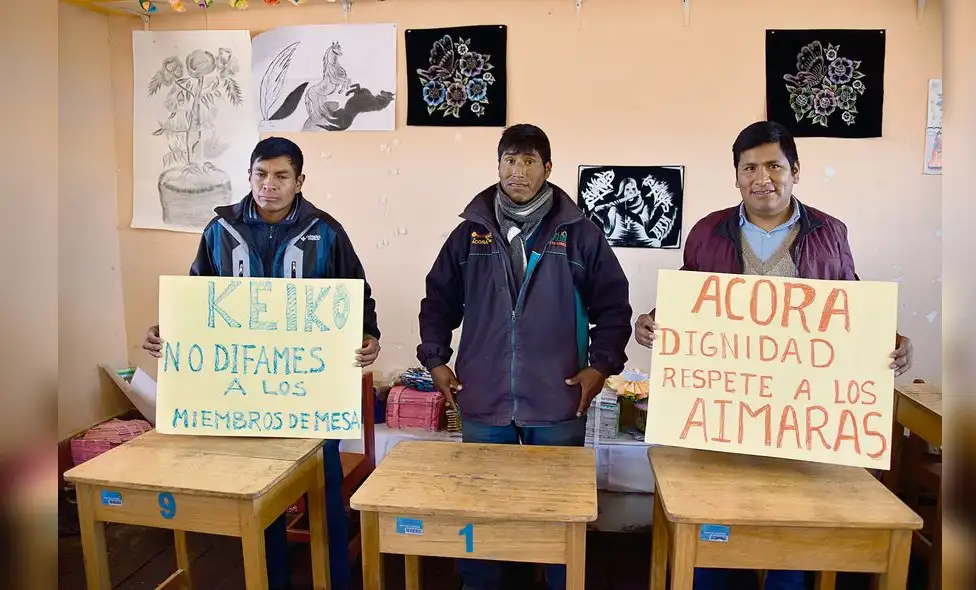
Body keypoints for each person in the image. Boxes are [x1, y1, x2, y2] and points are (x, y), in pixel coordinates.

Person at [634, 120, 913, 590]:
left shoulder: (830, 233)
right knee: (714, 529)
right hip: (724, 414)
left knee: (791, 528)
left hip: (801, 416)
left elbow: (850, 304)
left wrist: (890, 337)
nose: (762, 178)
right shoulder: (708, 231)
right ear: (737, 175)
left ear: (795, 170)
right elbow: (690, 297)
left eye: (773, 166)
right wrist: (654, 319)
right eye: (749, 168)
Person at [142, 136, 381, 590]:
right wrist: (167, 327)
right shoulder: (219, 231)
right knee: (261, 499)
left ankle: (334, 581)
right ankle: (271, 579)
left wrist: (370, 336)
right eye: (260, 174)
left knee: (325, 499)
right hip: (247, 403)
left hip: (311, 399)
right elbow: (199, 298)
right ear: (249, 176)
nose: (268, 185)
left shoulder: (326, 232)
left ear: (299, 182)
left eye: (281, 176)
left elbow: (357, 294)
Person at [417, 123, 633, 590]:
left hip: (558, 398)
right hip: (483, 397)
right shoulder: (469, 235)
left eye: (529, 161)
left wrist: (600, 365)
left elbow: (614, 306)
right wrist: (436, 361)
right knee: (481, 504)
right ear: (497, 166)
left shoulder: (580, 235)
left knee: (557, 508)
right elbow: (437, 302)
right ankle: (480, 582)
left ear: (548, 168)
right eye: (509, 160)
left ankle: (560, 580)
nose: (517, 171)